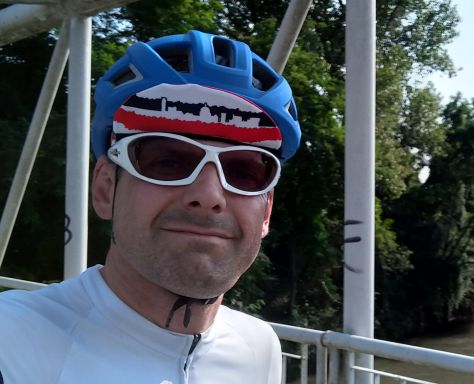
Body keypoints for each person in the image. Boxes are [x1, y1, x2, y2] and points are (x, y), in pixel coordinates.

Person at [0, 30, 301, 384]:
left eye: (244, 173)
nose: (209, 195)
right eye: (167, 162)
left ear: (266, 212)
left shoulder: (259, 348)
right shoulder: (13, 343)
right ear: (105, 188)